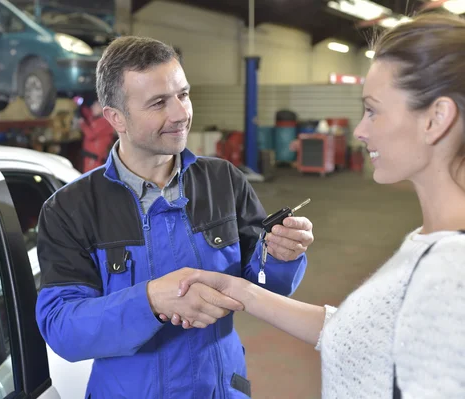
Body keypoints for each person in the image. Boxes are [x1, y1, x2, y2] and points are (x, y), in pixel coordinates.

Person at [172, 12, 465, 399]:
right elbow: (371, 337)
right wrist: (241, 290)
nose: (360, 130)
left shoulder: (450, 272)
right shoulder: (431, 243)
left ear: (436, 118)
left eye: (373, 110)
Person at [35, 36, 315, 398]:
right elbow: (63, 330)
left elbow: (263, 287)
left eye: (182, 94)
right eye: (158, 103)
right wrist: (149, 301)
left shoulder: (223, 181)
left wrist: (280, 256)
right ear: (116, 117)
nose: (181, 113)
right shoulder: (70, 209)